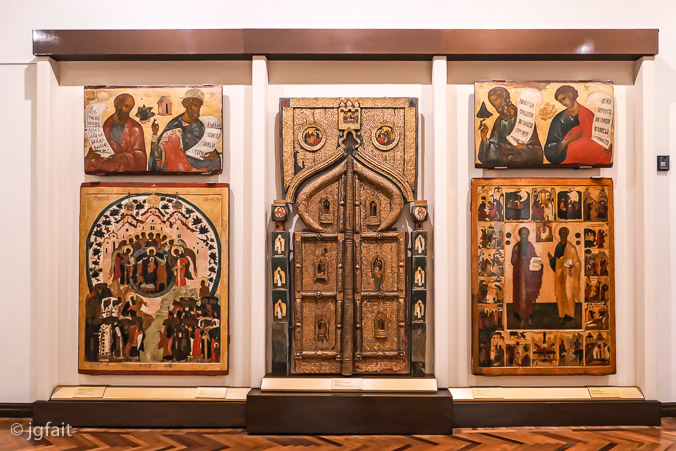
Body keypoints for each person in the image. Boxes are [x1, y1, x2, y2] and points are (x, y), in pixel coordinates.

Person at [148, 88, 221, 172]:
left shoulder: (200, 126)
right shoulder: (174, 126)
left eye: (199, 106)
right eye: (194, 105)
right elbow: (158, 156)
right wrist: (155, 134)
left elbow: (208, 146)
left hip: (196, 165)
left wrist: (213, 155)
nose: (197, 110)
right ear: (186, 105)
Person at [544, 85, 612, 165]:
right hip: (569, 157)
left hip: (589, 154)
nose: (563, 103)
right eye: (560, 101)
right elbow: (549, 150)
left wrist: (604, 145)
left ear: (571, 95)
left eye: (564, 98)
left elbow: (597, 136)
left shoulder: (587, 114)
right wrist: (567, 141)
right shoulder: (559, 119)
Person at [478, 86, 544, 166]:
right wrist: (484, 137)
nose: (495, 105)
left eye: (496, 99)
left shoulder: (524, 117)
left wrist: (524, 148)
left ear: (504, 97)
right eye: (492, 103)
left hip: (522, 162)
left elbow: (538, 151)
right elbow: (493, 150)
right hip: (504, 163)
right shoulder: (499, 121)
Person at [85, 93, 147, 173]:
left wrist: (124, 155)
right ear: (117, 105)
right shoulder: (107, 125)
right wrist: (94, 154)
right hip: (108, 165)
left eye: (130, 108)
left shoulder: (136, 128)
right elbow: (99, 145)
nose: (128, 111)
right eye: (126, 106)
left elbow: (140, 156)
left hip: (125, 168)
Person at [511, 228, 543, 328]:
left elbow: (534, 257)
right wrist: (521, 261)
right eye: (523, 234)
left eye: (526, 234)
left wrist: (537, 262)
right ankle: (521, 319)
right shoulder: (517, 246)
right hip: (520, 276)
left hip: (529, 276)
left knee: (528, 298)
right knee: (521, 297)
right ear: (520, 235)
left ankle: (529, 319)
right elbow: (513, 261)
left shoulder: (530, 246)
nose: (524, 236)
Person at [548, 227, 581, 326]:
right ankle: (561, 316)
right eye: (561, 233)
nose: (563, 235)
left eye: (564, 233)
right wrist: (551, 259)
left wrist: (572, 266)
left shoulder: (571, 248)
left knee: (569, 296)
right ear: (559, 234)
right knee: (560, 295)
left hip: (569, 276)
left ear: (567, 234)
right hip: (560, 275)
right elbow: (557, 261)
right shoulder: (558, 246)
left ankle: (571, 317)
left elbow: (577, 263)